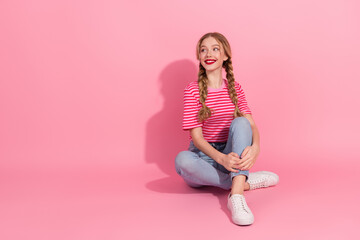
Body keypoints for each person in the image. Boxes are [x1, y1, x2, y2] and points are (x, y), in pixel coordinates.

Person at [175, 32, 279, 226]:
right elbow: (197, 139)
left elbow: (251, 125)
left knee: (241, 122)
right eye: (203, 49)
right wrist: (220, 158)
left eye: (215, 49)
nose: (208, 53)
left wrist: (256, 147)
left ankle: (236, 196)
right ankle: (243, 181)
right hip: (204, 158)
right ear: (199, 56)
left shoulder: (235, 89)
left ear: (225, 56)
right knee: (181, 160)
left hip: (232, 155)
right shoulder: (192, 90)